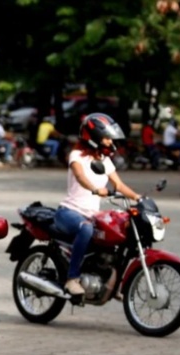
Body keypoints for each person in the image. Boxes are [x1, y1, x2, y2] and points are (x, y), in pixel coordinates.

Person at [55, 113, 143, 297]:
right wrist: (95, 189)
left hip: (91, 214)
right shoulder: (76, 155)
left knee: (119, 231)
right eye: (106, 138)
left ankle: (112, 282)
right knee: (86, 229)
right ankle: (72, 279)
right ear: (93, 138)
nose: (110, 142)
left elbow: (118, 185)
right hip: (69, 212)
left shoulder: (104, 160)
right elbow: (80, 177)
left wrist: (138, 197)